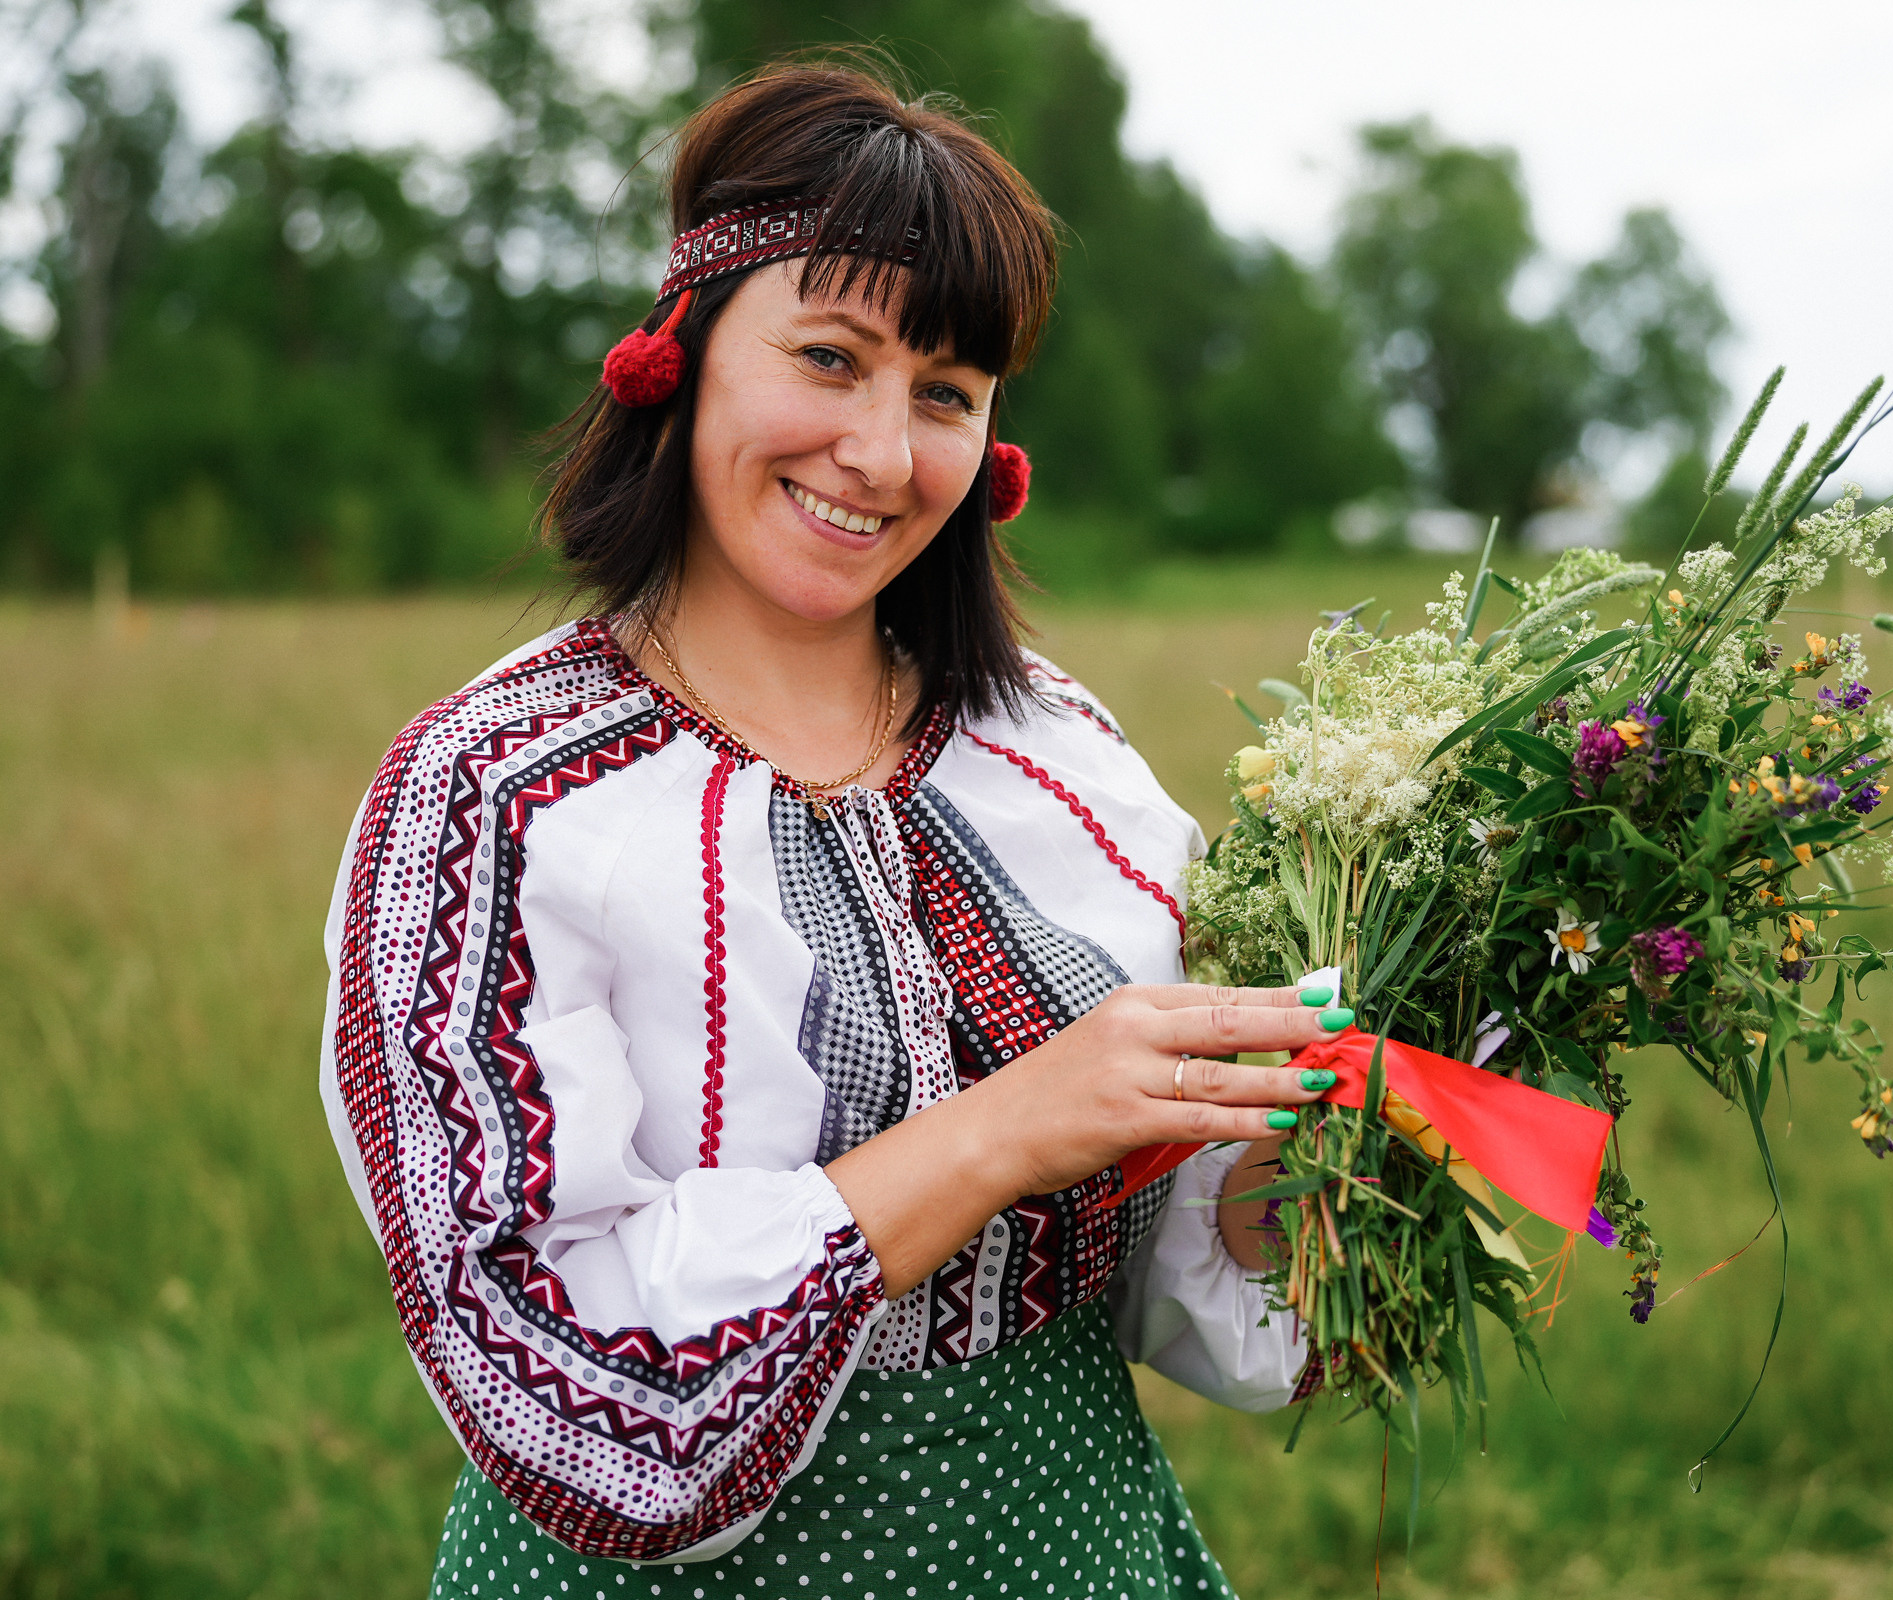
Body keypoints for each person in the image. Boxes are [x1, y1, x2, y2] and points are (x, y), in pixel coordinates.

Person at [319, 59, 1348, 1599]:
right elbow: (545, 1373)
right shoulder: (495, 791)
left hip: (1073, 1551)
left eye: (945, 393)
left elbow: (1175, 1259)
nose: (880, 452)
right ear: (683, 354)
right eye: (828, 357)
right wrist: (1001, 1130)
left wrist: (1313, 1140)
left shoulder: (1051, 750)